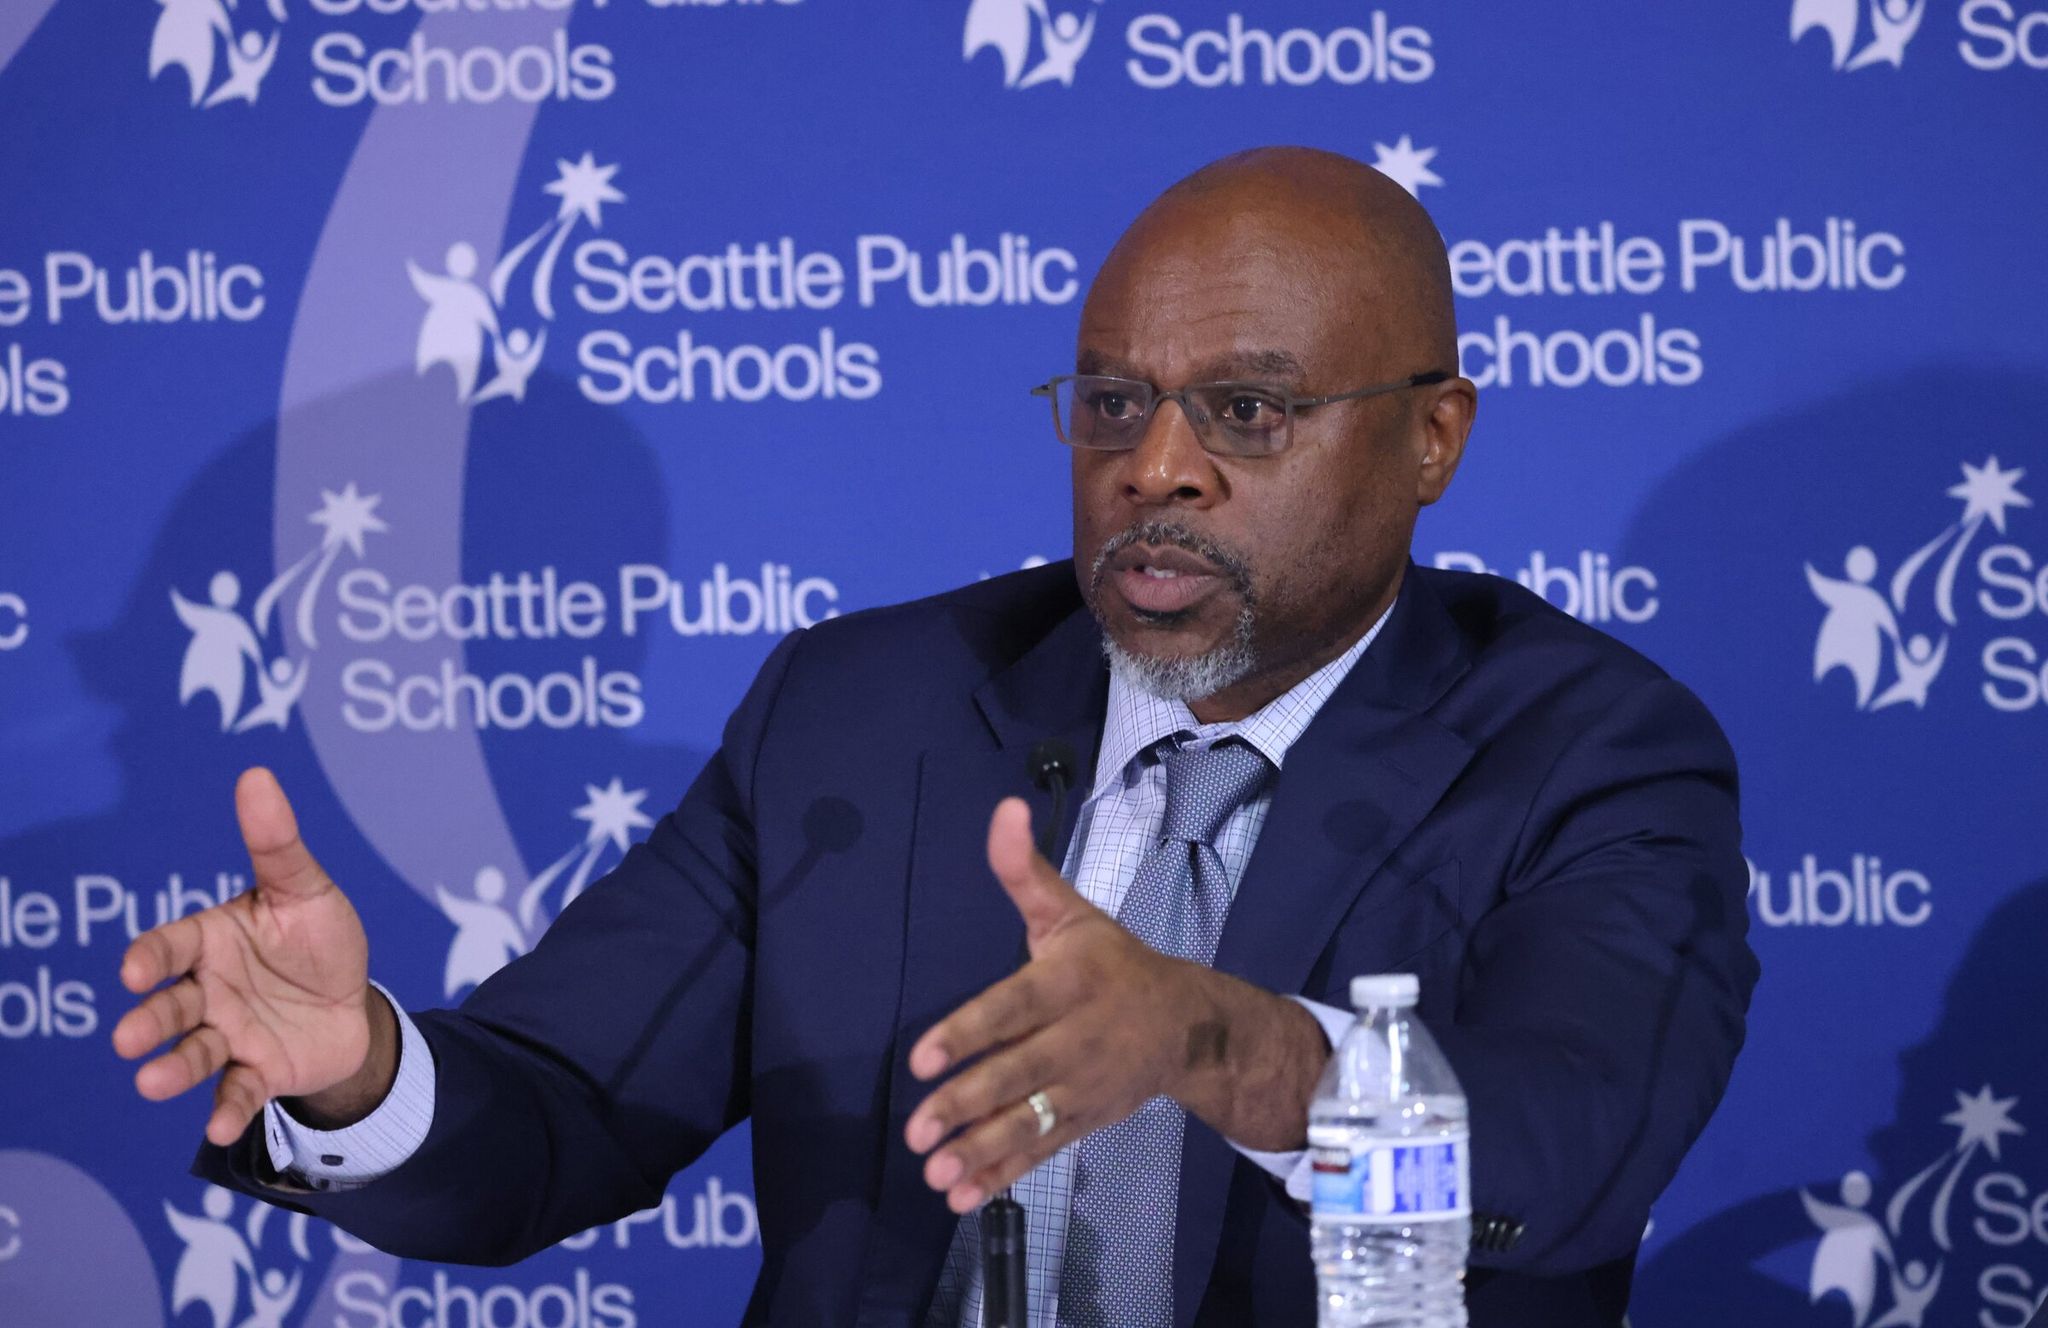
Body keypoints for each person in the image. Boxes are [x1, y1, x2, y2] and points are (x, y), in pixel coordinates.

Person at [112, 147, 1758, 1326]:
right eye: (1114, 401)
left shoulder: (1589, 751)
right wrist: (362, 1075)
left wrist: (1203, 1042)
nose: (1158, 466)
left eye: (1249, 411)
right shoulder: (863, 713)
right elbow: (558, 1115)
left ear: (1432, 440)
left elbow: (1566, 1154)